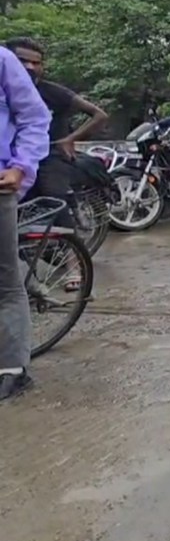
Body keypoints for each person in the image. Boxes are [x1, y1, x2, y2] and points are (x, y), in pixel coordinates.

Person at [6, 37, 110, 231]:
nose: (29, 67)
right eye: (22, 61)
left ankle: (72, 256)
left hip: (50, 156)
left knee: (53, 199)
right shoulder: (5, 92)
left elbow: (99, 115)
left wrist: (70, 139)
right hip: (14, 158)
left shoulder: (52, 92)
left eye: (36, 63)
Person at [0, 45, 52, 401]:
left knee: (5, 281)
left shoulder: (3, 62)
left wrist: (21, 167)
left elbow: (36, 118)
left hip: (6, 180)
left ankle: (13, 369)